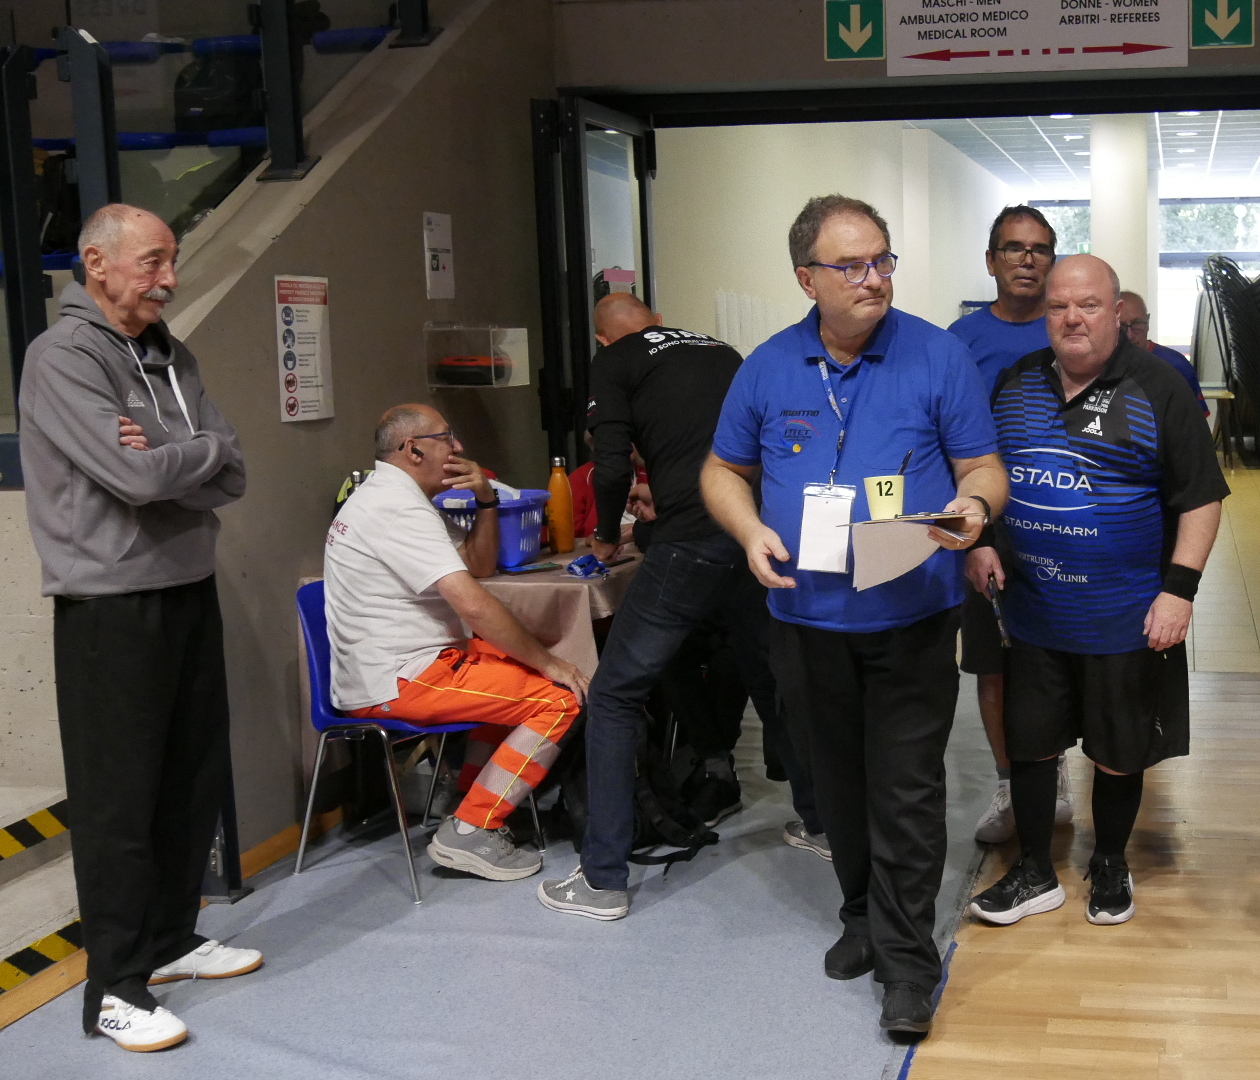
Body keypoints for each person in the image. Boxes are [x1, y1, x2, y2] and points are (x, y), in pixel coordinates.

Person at [703, 194, 1007, 1034]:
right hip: (805, 618)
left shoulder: (938, 355)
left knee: (905, 788)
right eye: (852, 265)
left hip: (912, 614)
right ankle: (861, 914)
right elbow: (722, 471)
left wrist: (976, 508)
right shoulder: (768, 367)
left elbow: (983, 465)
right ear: (808, 278)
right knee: (835, 786)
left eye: (882, 260)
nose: (874, 278)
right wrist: (750, 529)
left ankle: (908, 964)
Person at [20, 203, 253, 1053]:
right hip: (109, 602)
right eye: (153, 261)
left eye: (172, 260)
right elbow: (135, 477)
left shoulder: (169, 353)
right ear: (97, 263)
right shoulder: (61, 357)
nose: (169, 279)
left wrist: (164, 449)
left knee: (190, 777)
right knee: (118, 800)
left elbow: (233, 464)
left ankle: (169, 939)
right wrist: (172, 455)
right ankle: (114, 987)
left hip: (188, 585)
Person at [537, 294, 821, 920]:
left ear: (603, 341)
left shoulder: (614, 362)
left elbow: (610, 462)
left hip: (692, 539)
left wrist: (605, 535)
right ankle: (821, 823)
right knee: (770, 676)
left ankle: (602, 879)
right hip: (756, 532)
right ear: (659, 323)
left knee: (615, 694)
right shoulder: (721, 352)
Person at [964, 256, 1228, 928]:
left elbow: (1202, 499)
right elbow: (985, 471)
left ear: (1116, 312)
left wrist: (1180, 592)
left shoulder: (1158, 388)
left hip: (1123, 615)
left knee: (1117, 750)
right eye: (1058, 307)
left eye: (1088, 305)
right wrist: (982, 539)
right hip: (1032, 611)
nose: (1072, 319)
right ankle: (1034, 871)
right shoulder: (1015, 382)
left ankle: (1109, 861)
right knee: (1030, 744)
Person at [325, 404, 590, 883]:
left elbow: (479, 565)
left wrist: (486, 500)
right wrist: (548, 662)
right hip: (399, 678)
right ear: (414, 450)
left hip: (416, 663)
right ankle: (473, 827)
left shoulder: (398, 497)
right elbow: (474, 604)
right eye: (447, 437)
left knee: (524, 668)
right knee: (557, 699)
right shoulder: (396, 508)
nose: (459, 447)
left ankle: (469, 799)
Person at [946, 205, 1072, 844]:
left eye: (1040, 249)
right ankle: (1006, 784)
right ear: (992, 260)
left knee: (1054, 664)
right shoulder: (960, 341)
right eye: (1014, 248)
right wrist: (965, 535)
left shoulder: (1068, 329)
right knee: (992, 667)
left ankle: (1054, 776)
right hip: (985, 532)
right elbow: (942, 438)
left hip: (1064, 526)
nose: (1027, 259)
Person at [1116, 290, 1207, 410]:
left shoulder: (1176, 365)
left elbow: (1195, 419)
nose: (1130, 335)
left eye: (1137, 324)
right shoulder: (1098, 366)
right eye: (1121, 327)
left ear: (1148, 322)